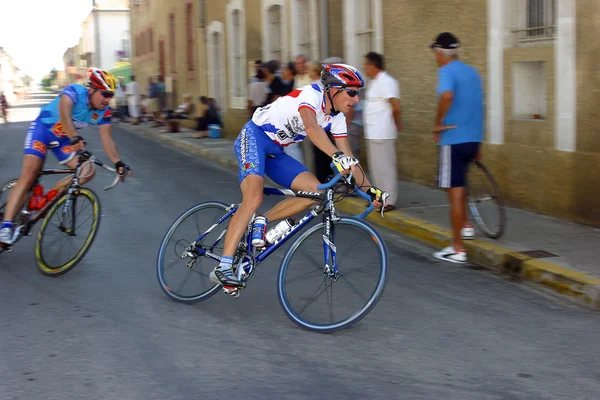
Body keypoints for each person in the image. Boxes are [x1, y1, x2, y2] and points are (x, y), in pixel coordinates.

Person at [209, 63, 388, 288]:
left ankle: (263, 220)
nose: (356, 99)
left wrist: (371, 190)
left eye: (358, 93)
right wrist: (337, 156)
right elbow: (312, 129)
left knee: (316, 193)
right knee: (253, 198)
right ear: (333, 89)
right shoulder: (310, 94)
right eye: (352, 92)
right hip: (255, 136)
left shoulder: (338, 118)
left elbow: (350, 160)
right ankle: (223, 267)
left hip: (276, 151)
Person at [0, 68, 132, 245]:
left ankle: (51, 196)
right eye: (105, 94)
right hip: (43, 131)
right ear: (92, 89)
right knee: (30, 173)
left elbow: (107, 138)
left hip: (64, 140)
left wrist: (118, 162)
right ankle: (5, 227)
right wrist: (74, 137)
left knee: (87, 170)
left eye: (111, 95)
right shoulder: (74, 92)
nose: (108, 99)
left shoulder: (104, 111)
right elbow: (65, 114)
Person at [430, 32, 484, 264]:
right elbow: (479, 106)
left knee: (454, 192)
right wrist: (479, 141)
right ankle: (466, 225)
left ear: (441, 53)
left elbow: (447, 95)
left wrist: (438, 123)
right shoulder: (472, 72)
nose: (435, 57)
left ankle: (457, 248)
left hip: (453, 139)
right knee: (458, 185)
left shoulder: (446, 71)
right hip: (472, 139)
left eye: (435, 53)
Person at [363, 51, 402, 211]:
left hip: (383, 132)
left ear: (373, 65)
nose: (364, 68)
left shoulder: (387, 81)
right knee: (376, 168)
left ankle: (390, 200)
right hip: (373, 132)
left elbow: (396, 106)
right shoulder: (374, 82)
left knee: (386, 168)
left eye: (366, 64)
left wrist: (397, 124)